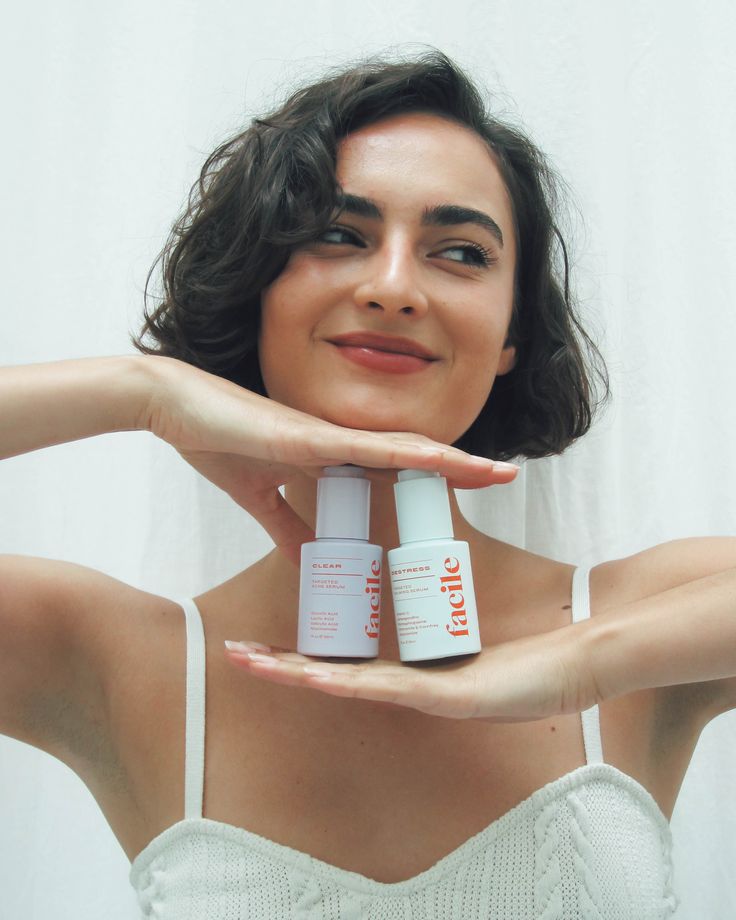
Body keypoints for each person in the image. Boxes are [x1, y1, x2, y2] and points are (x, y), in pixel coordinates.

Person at [1, 49, 734, 918]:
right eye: (338, 235)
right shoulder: (117, 662)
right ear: (256, 292)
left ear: (510, 335)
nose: (392, 287)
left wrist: (583, 668)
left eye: (459, 252)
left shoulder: (649, 622)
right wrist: (141, 393)